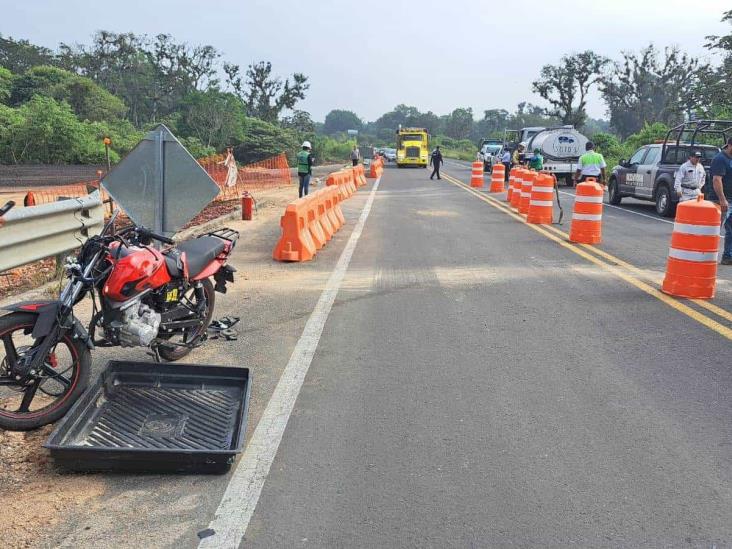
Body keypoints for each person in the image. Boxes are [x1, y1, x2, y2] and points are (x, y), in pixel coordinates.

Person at [710, 138, 732, 265]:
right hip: (721, 200)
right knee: (714, 229)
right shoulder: (720, 159)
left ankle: (728, 256)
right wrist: (722, 199)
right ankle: (706, 255)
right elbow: (716, 180)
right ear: (729, 145)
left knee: (731, 230)